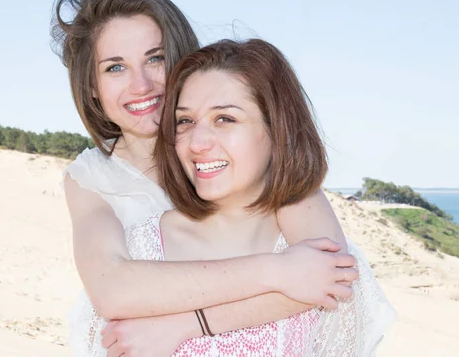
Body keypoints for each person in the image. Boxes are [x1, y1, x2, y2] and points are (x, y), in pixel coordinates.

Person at [52, 0, 361, 356]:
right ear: (92, 88)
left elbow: (326, 275)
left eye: (156, 58)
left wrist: (186, 326)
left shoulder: (246, 152)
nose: (142, 85)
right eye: (115, 68)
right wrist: (274, 270)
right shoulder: (92, 179)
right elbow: (112, 288)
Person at [100, 39, 396, 356]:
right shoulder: (139, 251)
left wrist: (182, 326)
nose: (196, 143)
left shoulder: (323, 256)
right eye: (185, 121)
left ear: (277, 129)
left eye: (225, 119)